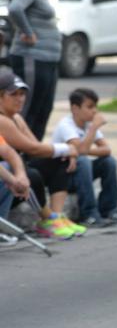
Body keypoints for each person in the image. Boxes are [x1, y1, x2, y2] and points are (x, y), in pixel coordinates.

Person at [0, 71, 81, 240]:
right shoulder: (2, 121)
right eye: (13, 94)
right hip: (7, 184)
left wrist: (65, 152)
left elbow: (36, 146)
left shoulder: (16, 118)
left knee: (59, 160)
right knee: (32, 175)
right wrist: (67, 148)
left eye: (22, 94)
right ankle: (47, 220)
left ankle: (56, 217)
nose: (20, 99)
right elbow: (32, 149)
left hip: (12, 177)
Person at [51, 88, 117, 228]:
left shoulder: (88, 124)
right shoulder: (66, 125)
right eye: (90, 107)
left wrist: (87, 148)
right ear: (75, 108)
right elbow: (81, 151)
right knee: (83, 161)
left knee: (108, 162)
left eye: (95, 106)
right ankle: (88, 214)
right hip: (64, 178)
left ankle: (109, 209)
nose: (95, 111)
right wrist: (93, 129)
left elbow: (106, 150)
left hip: (82, 175)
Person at [5, 0, 62, 141]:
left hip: (48, 59)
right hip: (32, 57)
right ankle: (19, 154)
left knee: (44, 108)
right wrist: (28, 33)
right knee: (27, 108)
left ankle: (34, 155)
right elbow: (14, 8)